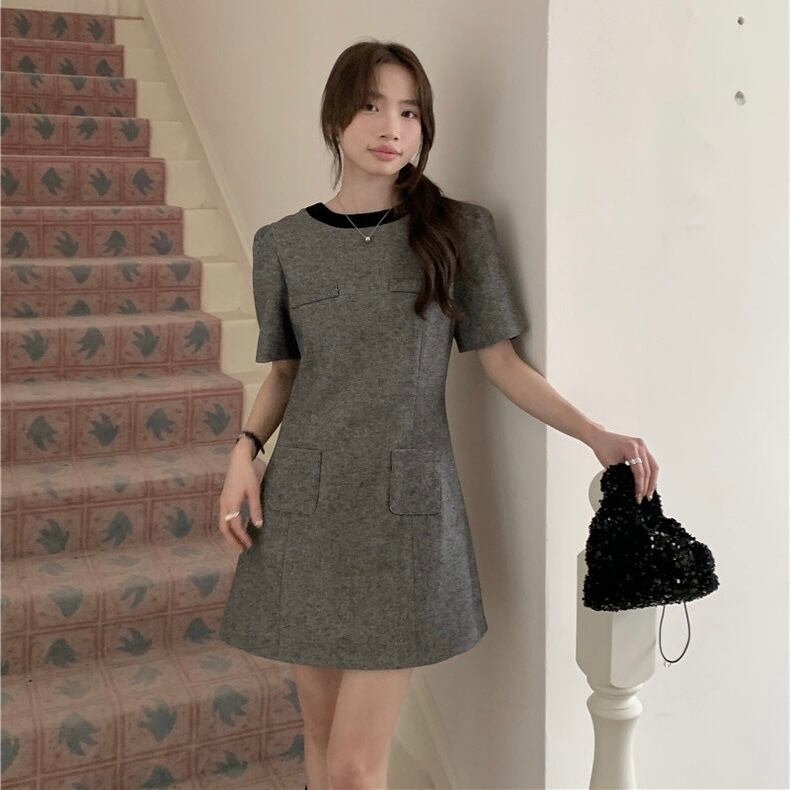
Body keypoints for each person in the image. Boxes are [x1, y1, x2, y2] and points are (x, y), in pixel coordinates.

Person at [216, 40, 659, 790]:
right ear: (335, 118)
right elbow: (286, 372)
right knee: (319, 739)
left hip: (405, 513)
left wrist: (594, 434)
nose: (392, 127)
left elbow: (502, 364)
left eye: (410, 112)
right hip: (305, 510)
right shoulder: (282, 245)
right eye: (371, 106)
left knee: (354, 767)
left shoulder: (457, 231)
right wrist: (243, 451)